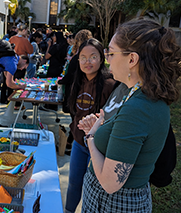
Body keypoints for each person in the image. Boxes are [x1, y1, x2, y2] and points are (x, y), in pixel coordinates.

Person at [79, 19, 181, 212]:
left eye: (111, 52)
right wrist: (101, 125)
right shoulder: (136, 92)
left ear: (132, 60)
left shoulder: (139, 108)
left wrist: (91, 137)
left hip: (113, 204)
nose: (107, 58)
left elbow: (110, 183)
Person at [64, 38, 115, 213]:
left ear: (101, 58)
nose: (87, 61)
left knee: (93, 188)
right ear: (78, 61)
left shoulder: (110, 85)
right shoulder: (78, 81)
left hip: (100, 147)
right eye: (83, 57)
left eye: (93, 56)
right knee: (74, 182)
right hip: (79, 143)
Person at [57, 29, 93, 154]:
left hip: (76, 92)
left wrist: (60, 82)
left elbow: (71, 76)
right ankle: (70, 142)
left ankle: (72, 144)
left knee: (77, 120)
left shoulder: (79, 57)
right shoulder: (87, 56)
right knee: (77, 119)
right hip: (85, 92)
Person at [0, 55, 29, 126]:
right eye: (24, 67)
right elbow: (9, 84)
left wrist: (14, 83)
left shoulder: (11, 57)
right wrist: (20, 86)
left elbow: (6, 73)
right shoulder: (13, 64)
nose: (22, 69)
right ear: (24, 61)